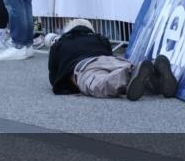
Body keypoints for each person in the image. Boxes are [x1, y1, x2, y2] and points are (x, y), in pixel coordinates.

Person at [48, 19, 177, 100]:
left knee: (100, 83)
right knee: (133, 79)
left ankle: (128, 74)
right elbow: (108, 53)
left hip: (85, 66)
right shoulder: (100, 38)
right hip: (112, 60)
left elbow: (53, 76)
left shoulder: (61, 42)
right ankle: (155, 75)